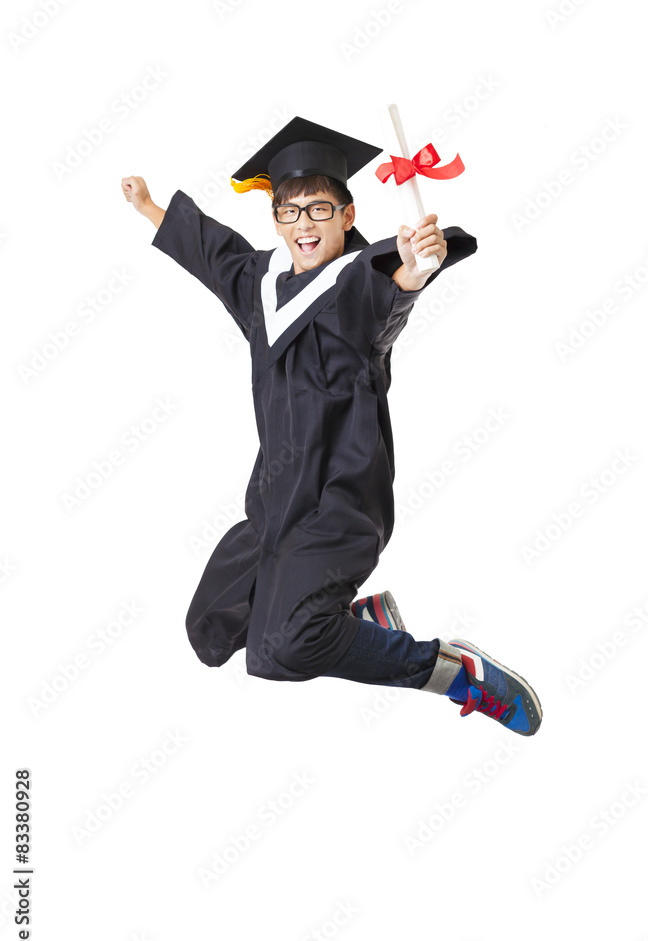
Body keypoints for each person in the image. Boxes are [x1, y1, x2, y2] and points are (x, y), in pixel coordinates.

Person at [121, 116, 542, 736]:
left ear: (347, 215)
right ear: (276, 222)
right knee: (210, 628)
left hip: (340, 500)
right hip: (273, 499)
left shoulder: (356, 281)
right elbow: (215, 255)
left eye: (319, 210)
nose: (304, 226)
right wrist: (151, 207)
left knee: (283, 648)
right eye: (289, 214)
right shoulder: (262, 285)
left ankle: (454, 671)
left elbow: (392, 289)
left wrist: (418, 267)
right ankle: (358, 620)